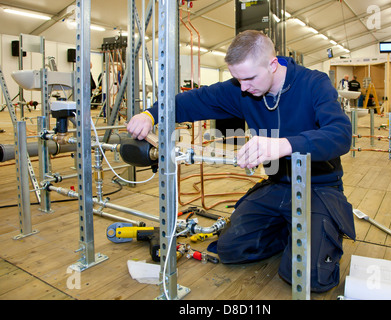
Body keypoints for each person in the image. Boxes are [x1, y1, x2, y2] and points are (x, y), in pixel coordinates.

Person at [127, 30, 355, 293]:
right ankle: (291, 231)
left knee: (309, 276)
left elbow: (340, 134)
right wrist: (149, 114)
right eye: (237, 79)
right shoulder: (243, 89)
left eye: (249, 78)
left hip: (319, 188)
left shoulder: (314, 83)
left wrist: (283, 145)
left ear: (272, 64)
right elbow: (192, 101)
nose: (244, 88)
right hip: (279, 185)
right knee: (230, 249)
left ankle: (314, 233)